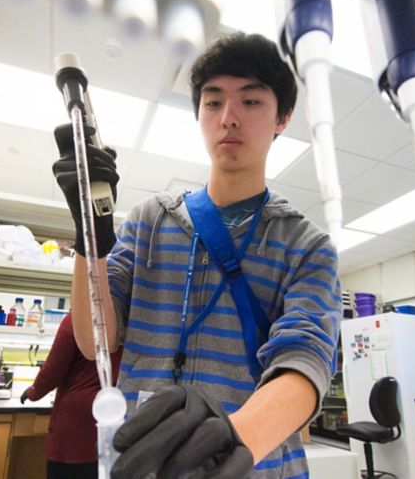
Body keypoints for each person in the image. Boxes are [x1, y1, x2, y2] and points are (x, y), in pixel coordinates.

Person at [52, 32, 342, 478]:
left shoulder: (306, 246)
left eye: (250, 102)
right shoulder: (150, 220)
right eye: (213, 102)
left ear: (282, 117)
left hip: (249, 464)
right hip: (140, 459)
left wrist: (234, 440)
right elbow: (96, 344)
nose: (228, 118)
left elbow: (304, 362)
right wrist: (89, 242)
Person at [20, 313, 123, 479]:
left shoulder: (79, 318)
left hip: (75, 428)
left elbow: (53, 370)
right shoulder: (130, 320)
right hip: (113, 423)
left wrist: (33, 392)